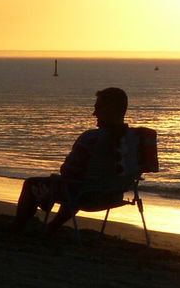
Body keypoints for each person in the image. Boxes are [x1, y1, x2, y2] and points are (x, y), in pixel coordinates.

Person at [13, 87, 132, 236]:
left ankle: (17, 229)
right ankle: (52, 227)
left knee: (32, 184)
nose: (94, 113)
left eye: (98, 108)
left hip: (88, 196)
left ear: (111, 109)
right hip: (114, 195)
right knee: (77, 184)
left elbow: (67, 171)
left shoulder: (92, 138)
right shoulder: (134, 140)